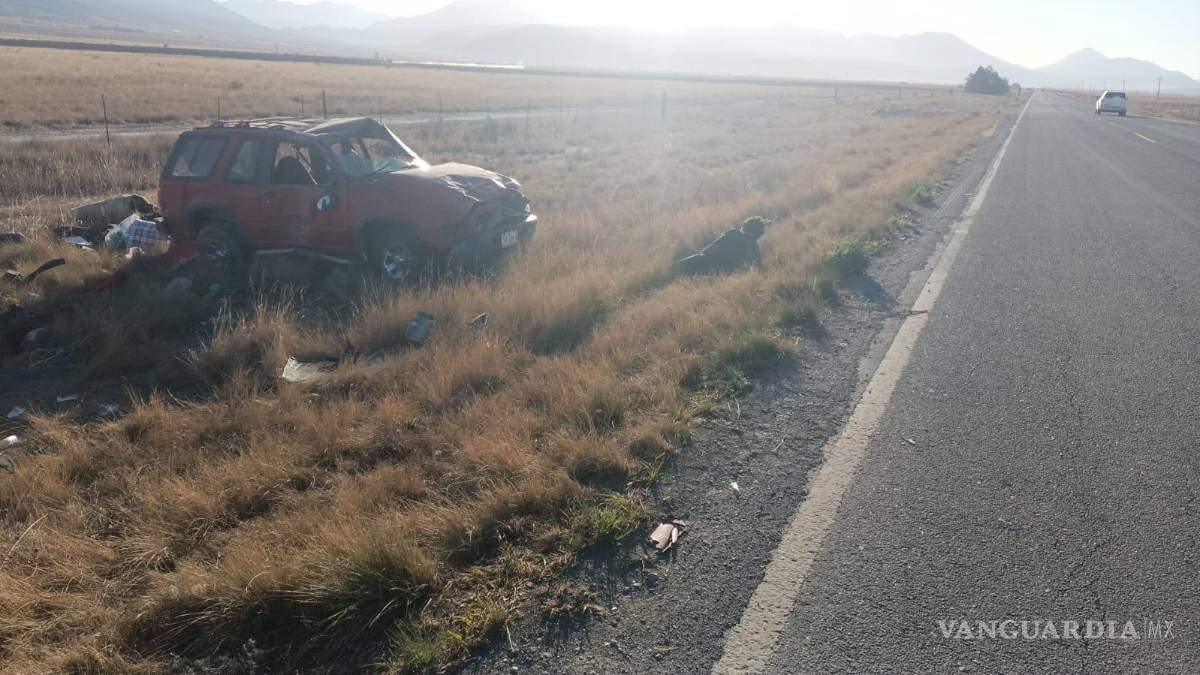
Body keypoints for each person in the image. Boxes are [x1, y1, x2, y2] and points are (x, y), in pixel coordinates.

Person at [673, 217, 769, 276]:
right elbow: (759, 268)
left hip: (714, 265)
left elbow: (710, 248)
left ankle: (671, 270)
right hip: (730, 273)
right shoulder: (755, 246)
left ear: (746, 227)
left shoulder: (734, 233)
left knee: (687, 265)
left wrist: (702, 255)